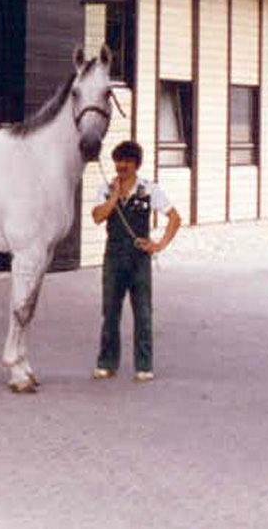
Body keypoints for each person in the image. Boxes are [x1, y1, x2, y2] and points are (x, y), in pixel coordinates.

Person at [92, 140, 181, 382]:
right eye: (118, 161)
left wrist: (159, 245)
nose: (121, 166)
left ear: (136, 165)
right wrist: (113, 197)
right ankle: (107, 363)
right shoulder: (105, 188)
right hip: (113, 256)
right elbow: (97, 217)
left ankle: (144, 365)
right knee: (110, 311)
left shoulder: (149, 189)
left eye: (127, 162)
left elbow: (175, 218)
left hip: (139, 258)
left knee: (142, 312)